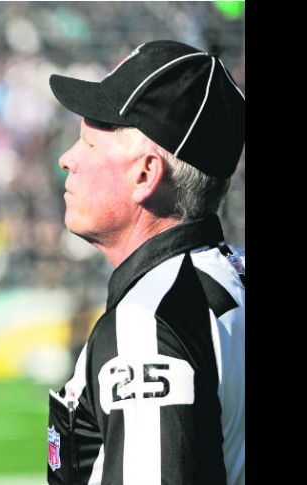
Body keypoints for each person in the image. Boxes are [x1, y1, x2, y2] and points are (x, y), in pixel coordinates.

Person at [44, 40, 245, 484]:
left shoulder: (147, 325)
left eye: (88, 144)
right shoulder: (232, 277)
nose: (66, 160)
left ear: (145, 175)